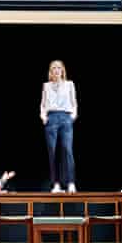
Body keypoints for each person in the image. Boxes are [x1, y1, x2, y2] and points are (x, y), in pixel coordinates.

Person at [40, 59, 78, 193]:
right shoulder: (46, 86)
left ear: (62, 70)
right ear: (51, 71)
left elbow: (74, 102)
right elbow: (43, 104)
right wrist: (43, 117)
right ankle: (56, 183)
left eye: (59, 68)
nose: (56, 70)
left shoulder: (69, 84)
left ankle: (71, 182)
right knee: (53, 151)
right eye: (54, 68)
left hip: (65, 117)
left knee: (67, 150)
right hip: (51, 118)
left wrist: (73, 116)